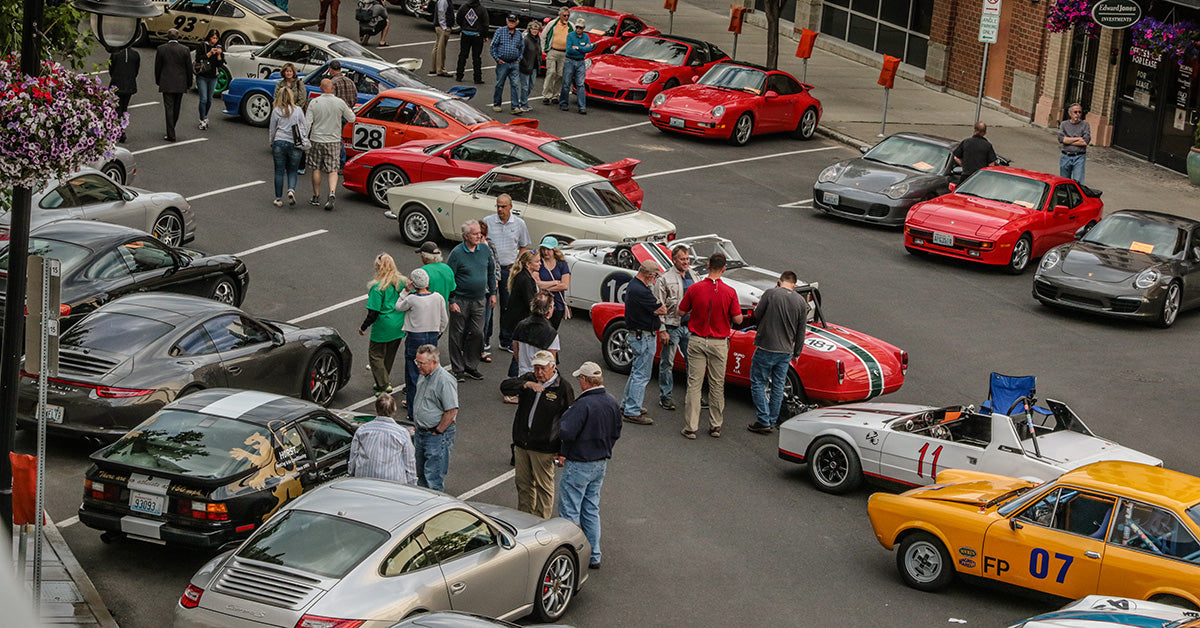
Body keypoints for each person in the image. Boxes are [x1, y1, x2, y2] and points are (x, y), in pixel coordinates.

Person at [555, 361, 621, 570]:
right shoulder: (611, 401)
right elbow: (616, 431)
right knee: (591, 509)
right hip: (600, 463)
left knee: (570, 512)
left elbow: (566, 431)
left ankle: (574, 557)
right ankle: (594, 555)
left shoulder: (583, 405)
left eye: (579, 379)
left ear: (585, 381)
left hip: (579, 463)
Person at [501, 350, 574, 518]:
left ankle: (541, 521)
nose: (539, 373)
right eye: (536, 369)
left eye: (542, 369)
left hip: (544, 448)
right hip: (522, 443)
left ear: (553, 367)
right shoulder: (529, 379)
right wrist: (525, 385)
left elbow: (569, 422)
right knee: (523, 484)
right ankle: (524, 517)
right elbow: (505, 387)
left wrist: (563, 451)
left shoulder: (563, 388)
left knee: (544, 487)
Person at [677, 253, 742, 440]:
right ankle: (715, 425)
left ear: (707, 266)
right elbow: (737, 319)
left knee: (694, 384)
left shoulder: (696, 289)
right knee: (716, 385)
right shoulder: (730, 292)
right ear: (724, 269)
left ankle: (691, 426)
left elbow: (681, 310)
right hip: (719, 342)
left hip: (697, 339)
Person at [747, 271, 808, 434]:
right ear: (794, 285)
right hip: (786, 350)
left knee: (758, 382)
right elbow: (802, 330)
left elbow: (757, 314)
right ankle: (772, 420)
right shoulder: (801, 302)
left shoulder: (771, 293)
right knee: (778, 385)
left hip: (766, 346)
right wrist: (797, 351)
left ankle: (763, 419)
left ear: (779, 282)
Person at [394, 268, 449, 418]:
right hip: (431, 336)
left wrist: (405, 291)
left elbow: (398, 307)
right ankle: (429, 407)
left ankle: (413, 411)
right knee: (430, 372)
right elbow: (444, 320)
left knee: (413, 375)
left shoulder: (412, 299)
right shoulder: (438, 298)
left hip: (414, 338)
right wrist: (437, 332)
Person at [446, 220, 496, 381]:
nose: (479, 236)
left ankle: (470, 365)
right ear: (465, 236)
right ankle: (458, 369)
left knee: (477, 333)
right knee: (457, 334)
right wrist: (451, 300)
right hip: (460, 300)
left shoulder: (484, 250)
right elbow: (449, 277)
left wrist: (493, 293)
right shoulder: (457, 253)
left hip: (479, 300)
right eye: (475, 234)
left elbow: (491, 271)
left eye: (479, 233)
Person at [482, 193, 531, 352]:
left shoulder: (519, 224)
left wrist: (517, 263)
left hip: (509, 270)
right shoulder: (488, 221)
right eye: (498, 206)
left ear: (511, 207)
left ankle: (506, 339)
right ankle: (485, 339)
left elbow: (524, 246)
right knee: (489, 304)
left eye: (503, 206)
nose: (500, 209)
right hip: (490, 271)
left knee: (508, 307)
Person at [620, 260, 666, 426]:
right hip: (645, 336)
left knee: (635, 371)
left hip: (637, 335)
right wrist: (663, 304)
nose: (654, 280)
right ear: (649, 275)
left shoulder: (633, 285)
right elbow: (661, 309)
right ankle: (632, 410)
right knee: (642, 374)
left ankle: (627, 404)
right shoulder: (642, 291)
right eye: (654, 277)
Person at [653, 244, 697, 412]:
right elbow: (659, 305)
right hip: (672, 326)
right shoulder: (664, 279)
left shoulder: (694, 275)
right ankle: (666, 396)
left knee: (693, 362)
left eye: (687, 259)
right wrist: (662, 329)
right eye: (682, 259)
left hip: (690, 327)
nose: (686, 262)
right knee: (667, 363)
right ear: (674, 259)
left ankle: (694, 395)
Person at [411, 345, 459, 491]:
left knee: (433, 477)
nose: (418, 366)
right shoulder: (423, 375)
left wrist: (438, 431)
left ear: (434, 362)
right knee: (420, 475)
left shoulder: (445, 380)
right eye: (417, 362)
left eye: (421, 363)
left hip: (435, 435)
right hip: (421, 432)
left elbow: (451, 411)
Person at [359, 253, 407, 396]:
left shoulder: (377, 287)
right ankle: (383, 379)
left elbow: (373, 312)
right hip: (399, 324)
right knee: (389, 354)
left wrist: (363, 327)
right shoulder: (402, 282)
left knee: (375, 355)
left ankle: (383, 384)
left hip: (383, 325)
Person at [305, 78, 355, 210]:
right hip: (333, 140)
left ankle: (316, 196)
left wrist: (305, 138)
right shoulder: (339, 102)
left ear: (321, 88)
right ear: (332, 88)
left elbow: (307, 123)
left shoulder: (314, 102)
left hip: (317, 138)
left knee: (316, 168)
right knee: (333, 169)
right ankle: (332, 192)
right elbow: (352, 118)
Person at [348, 395, 417, 484]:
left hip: (364, 481)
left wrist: (351, 475)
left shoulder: (363, 430)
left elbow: (353, 456)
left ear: (376, 409)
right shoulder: (402, 433)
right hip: (392, 484)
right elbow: (409, 463)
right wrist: (412, 485)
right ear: (394, 409)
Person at [267, 87, 309, 207]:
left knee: (279, 171)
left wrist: (271, 141)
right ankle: (291, 190)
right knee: (293, 170)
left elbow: (272, 128)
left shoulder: (276, 111)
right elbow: (304, 127)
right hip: (295, 143)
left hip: (279, 141)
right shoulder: (298, 110)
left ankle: (278, 198)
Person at [502, 250, 541, 380]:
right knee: (520, 351)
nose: (540, 264)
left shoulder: (524, 276)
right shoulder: (525, 279)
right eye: (537, 261)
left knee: (520, 350)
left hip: (518, 320)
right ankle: (513, 377)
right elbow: (530, 302)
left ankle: (514, 377)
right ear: (528, 264)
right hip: (520, 321)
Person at [154, 29, 192, 142]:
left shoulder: (161, 49)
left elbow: (158, 67)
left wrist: (158, 80)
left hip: (166, 82)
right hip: (180, 83)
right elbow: (189, 68)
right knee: (176, 108)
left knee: (168, 108)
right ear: (178, 37)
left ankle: (171, 133)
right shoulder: (185, 50)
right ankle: (172, 128)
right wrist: (189, 83)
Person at [512, 290, 559, 376]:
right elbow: (551, 361)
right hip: (541, 376)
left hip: (523, 373)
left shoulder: (521, 325)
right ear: (549, 309)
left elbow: (516, 351)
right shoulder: (551, 332)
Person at [491, 14, 523, 114]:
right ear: (506, 21)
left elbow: (522, 48)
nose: (511, 23)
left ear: (517, 22)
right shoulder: (500, 32)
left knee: (515, 85)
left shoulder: (519, 34)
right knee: (499, 84)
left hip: (514, 63)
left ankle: (515, 107)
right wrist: (497, 59)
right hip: (503, 63)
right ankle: (497, 104)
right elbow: (492, 47)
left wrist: (519, 59)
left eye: (513, 21)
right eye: (509, 21)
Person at [560, 18, 594, 114]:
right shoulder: (570, 36)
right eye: (577, 27)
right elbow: (569, 50)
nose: (578, 29)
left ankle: (582, 106)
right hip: (570, 61)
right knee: (566, 83)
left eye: (580, 27)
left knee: (580, 84)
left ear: (584, 28)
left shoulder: (586, 37)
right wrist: (583, 48)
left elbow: (589, 49)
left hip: (580, 62)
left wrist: (578, 47)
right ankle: (563, 103)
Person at [328, 60, 358, 170]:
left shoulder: (333, 83)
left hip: (337, 114)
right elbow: (355, 98)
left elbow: (331, 101)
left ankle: (340, 162)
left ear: (331, 70)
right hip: (348, 112)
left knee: (336, 138)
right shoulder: (350, 81)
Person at [536, 236, 570, 328]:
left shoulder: (562, 264)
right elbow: (538, 284)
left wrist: (545, 287)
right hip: (542, 303)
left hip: (558, 304)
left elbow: (565, 285)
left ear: (555, 250)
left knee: (552, 331)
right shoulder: (538, 262)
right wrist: (555, 282)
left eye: (549, 249)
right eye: (543, 249)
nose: (545, 252)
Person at [194, 30, 225, 131]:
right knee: (203, 99)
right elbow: (198, 59)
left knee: (209, 99)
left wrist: (219, 55)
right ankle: (202, 119)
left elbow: (220, 65)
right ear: (209, 37)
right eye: (213, 38)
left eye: (216, 38)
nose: (214, 41)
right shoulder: (202, 46)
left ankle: (206, 115)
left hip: (213, 77)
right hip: (202, 76)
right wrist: (209, 54)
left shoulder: (219, 48)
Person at [108, 45, 139, 143]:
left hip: (117, 84)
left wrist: (115, 76)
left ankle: (120, 130)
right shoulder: (135, 54)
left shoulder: (115, 54)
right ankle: (122, 127)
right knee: (124, 107)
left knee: (117, 108)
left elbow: (111, 68)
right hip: (129, 85)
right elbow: (136, 70)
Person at [541, 7, 571, 106]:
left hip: (564, 53)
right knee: (551, 72)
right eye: (564, 15)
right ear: (560, 15)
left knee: (560, 74)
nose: (566, 17)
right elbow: (543, 36)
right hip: (553, 51)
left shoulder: (571, 26)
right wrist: (544, 50)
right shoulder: (552, 24)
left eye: (568, 15)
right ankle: (547, 95)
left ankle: (555, 95)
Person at [455, 0, 489, 85]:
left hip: (465, 34)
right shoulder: (482, 9)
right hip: (477, 36)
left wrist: (464, 27)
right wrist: (484, 35)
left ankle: (459, 75)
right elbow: (485, 24)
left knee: (463, 55)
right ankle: (477, 78)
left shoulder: (463, 7)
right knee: (476, 57)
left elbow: (458, 18)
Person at [1058, 103, 1090, 184]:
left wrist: (1069, 140)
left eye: (1079, 112)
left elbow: (1085, 141)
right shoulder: (1064, 124)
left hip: (1079, 156)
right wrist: (1078, 138)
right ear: (1070, 113)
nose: (1078, 114)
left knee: (1078, 182)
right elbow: (1061, 139)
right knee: (1064, 182)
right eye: (1075, 112)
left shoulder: (1085, 125)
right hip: (1066, 156)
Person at [417, 241, 456, 305]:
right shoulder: (447, 269)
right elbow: (452, 290)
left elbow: (416, 294)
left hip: (426, 310)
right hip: (442, 310)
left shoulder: (423, 271)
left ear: (424, 256)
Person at [517, 20, 541, 113]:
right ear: (529, 29)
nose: (535, 30)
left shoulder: (538, 39)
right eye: (533, 29)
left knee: (531, 85)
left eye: (537, 29)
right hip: (525, 66)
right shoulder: (526, 40)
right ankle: (523, 104)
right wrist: (524, 64)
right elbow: (521, 53)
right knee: (524, 86)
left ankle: (524, 101)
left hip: (534, 66)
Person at [428, 0, 455, 77]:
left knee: (437, 47)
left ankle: (433, 67)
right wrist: (444, 27)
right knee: (441, 49)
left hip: (440, 27)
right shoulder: (444, 1)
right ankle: (440, 69)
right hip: (442, 28)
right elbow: (441, 13)